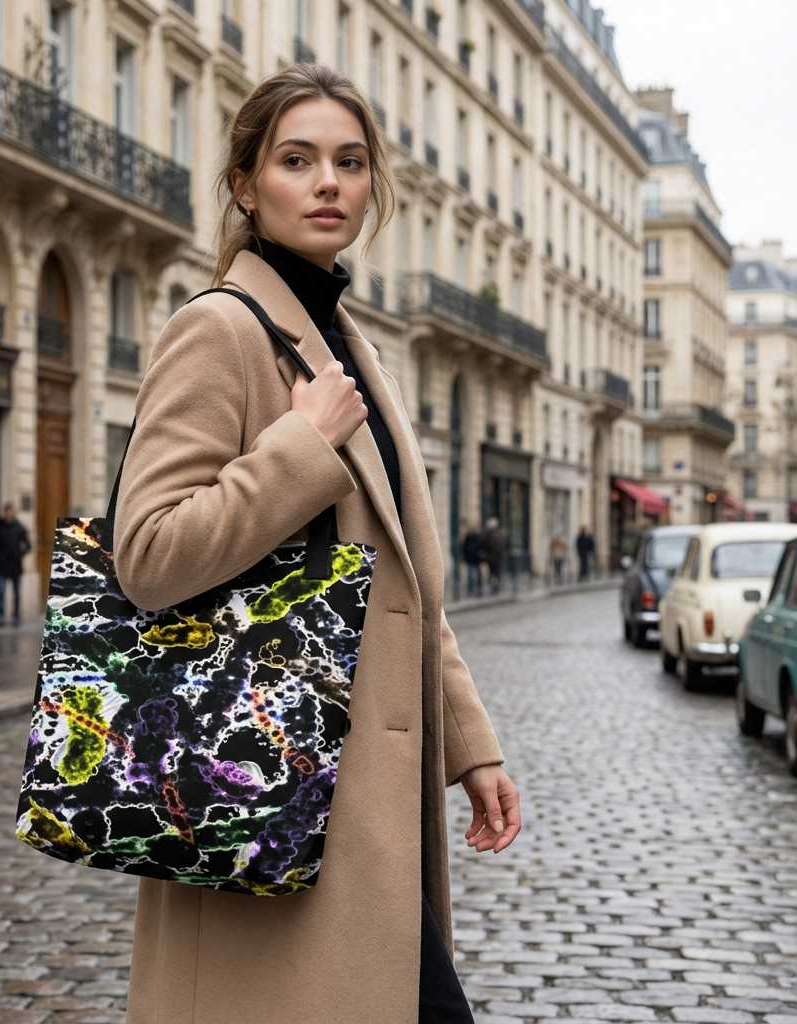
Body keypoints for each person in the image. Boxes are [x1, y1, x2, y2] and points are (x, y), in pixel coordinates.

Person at [111, 64, 521, 1024]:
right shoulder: (218, 330)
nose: (328, 182)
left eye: (349, 161)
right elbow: (151, 553)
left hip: (356, 807)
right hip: (266, 789)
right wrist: (300, 448)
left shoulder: (351, 343)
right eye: (297, 160)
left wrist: (472, 746)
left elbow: (406, 578)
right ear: (247, 186)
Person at [0, 501, 31, 625]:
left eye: (10, 512)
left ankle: (16, 616)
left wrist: (21, 553)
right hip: (1, 565)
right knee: (0, 592)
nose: (8, 514)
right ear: (4, 513)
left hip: (16, 565)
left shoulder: (19, 527)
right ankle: (0, 616)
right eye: (7, 512)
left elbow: (28, 545)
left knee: (16, 593)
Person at [481, 516, 506, 595]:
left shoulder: (490, 536)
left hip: (493, 558)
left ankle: (495, 585)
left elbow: (484, 545)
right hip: (494, 558)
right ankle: (495, 585)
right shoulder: (498, 535)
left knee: (494, 572)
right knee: (495, 572)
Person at [461, 520, 484, 597]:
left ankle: (477, 590)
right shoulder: (468, 537)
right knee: (471, 576)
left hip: (476, 560)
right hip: (471, 560)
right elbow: (464, 548)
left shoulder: (478, 537)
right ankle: (472, 590)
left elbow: (481, 547)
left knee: (476, 576)